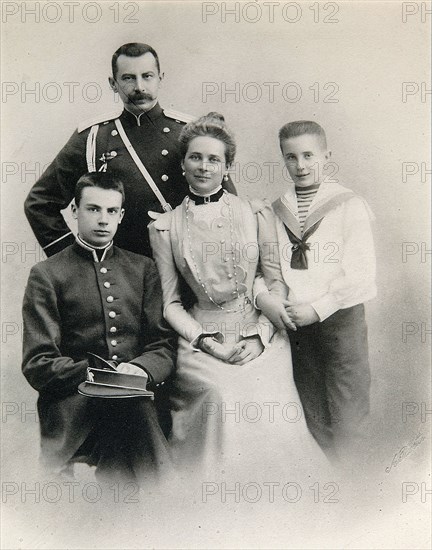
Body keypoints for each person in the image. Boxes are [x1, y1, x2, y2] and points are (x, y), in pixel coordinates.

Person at [149, 113, 327, 481]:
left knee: (263, 394)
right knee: (218, 394)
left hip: (259, 330)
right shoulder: (165, 227)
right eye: (195, 157)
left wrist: (259, 336)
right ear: (182, 164)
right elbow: (170, 303)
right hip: (202, 336)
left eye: (214, 159)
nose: (204, 166)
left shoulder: (255, 212)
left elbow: (275, 283)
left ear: (227, 165)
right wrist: (205, 341)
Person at [22, 172, 177, 482]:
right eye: (93, 209)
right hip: (74, 404)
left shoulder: (143, 269)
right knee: (132, 414)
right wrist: (101, 376)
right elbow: (38, 363)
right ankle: (168, 501)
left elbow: (162, 346)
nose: (102, 219)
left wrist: (142, 371)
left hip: (136, 400)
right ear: (74, 211)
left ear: (120, 216)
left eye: (110, 211)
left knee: (131, 410)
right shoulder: (47, 275)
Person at [24, 42, 236, 259]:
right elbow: (39, 203)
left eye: (147, 76)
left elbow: (228, 204)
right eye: (128, 78)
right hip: (124, 275)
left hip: (188, 268)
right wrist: (78, 260)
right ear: (113, 83)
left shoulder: (190, 133)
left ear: (160, 78)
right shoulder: (94, 138)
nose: (139, 87)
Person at [256, 120, 376, 461]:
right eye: (291, 157)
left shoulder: (348, 205)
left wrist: (319, 308)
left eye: (309, 155)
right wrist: (276, 301)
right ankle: (328, 487)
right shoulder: (278, 210)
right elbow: (268, 266)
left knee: (347, 403)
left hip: (340, 319)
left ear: (326, 156)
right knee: (310, 406)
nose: (301, 165)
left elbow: (361, 274)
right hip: (296, 323)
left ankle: (355, 486)